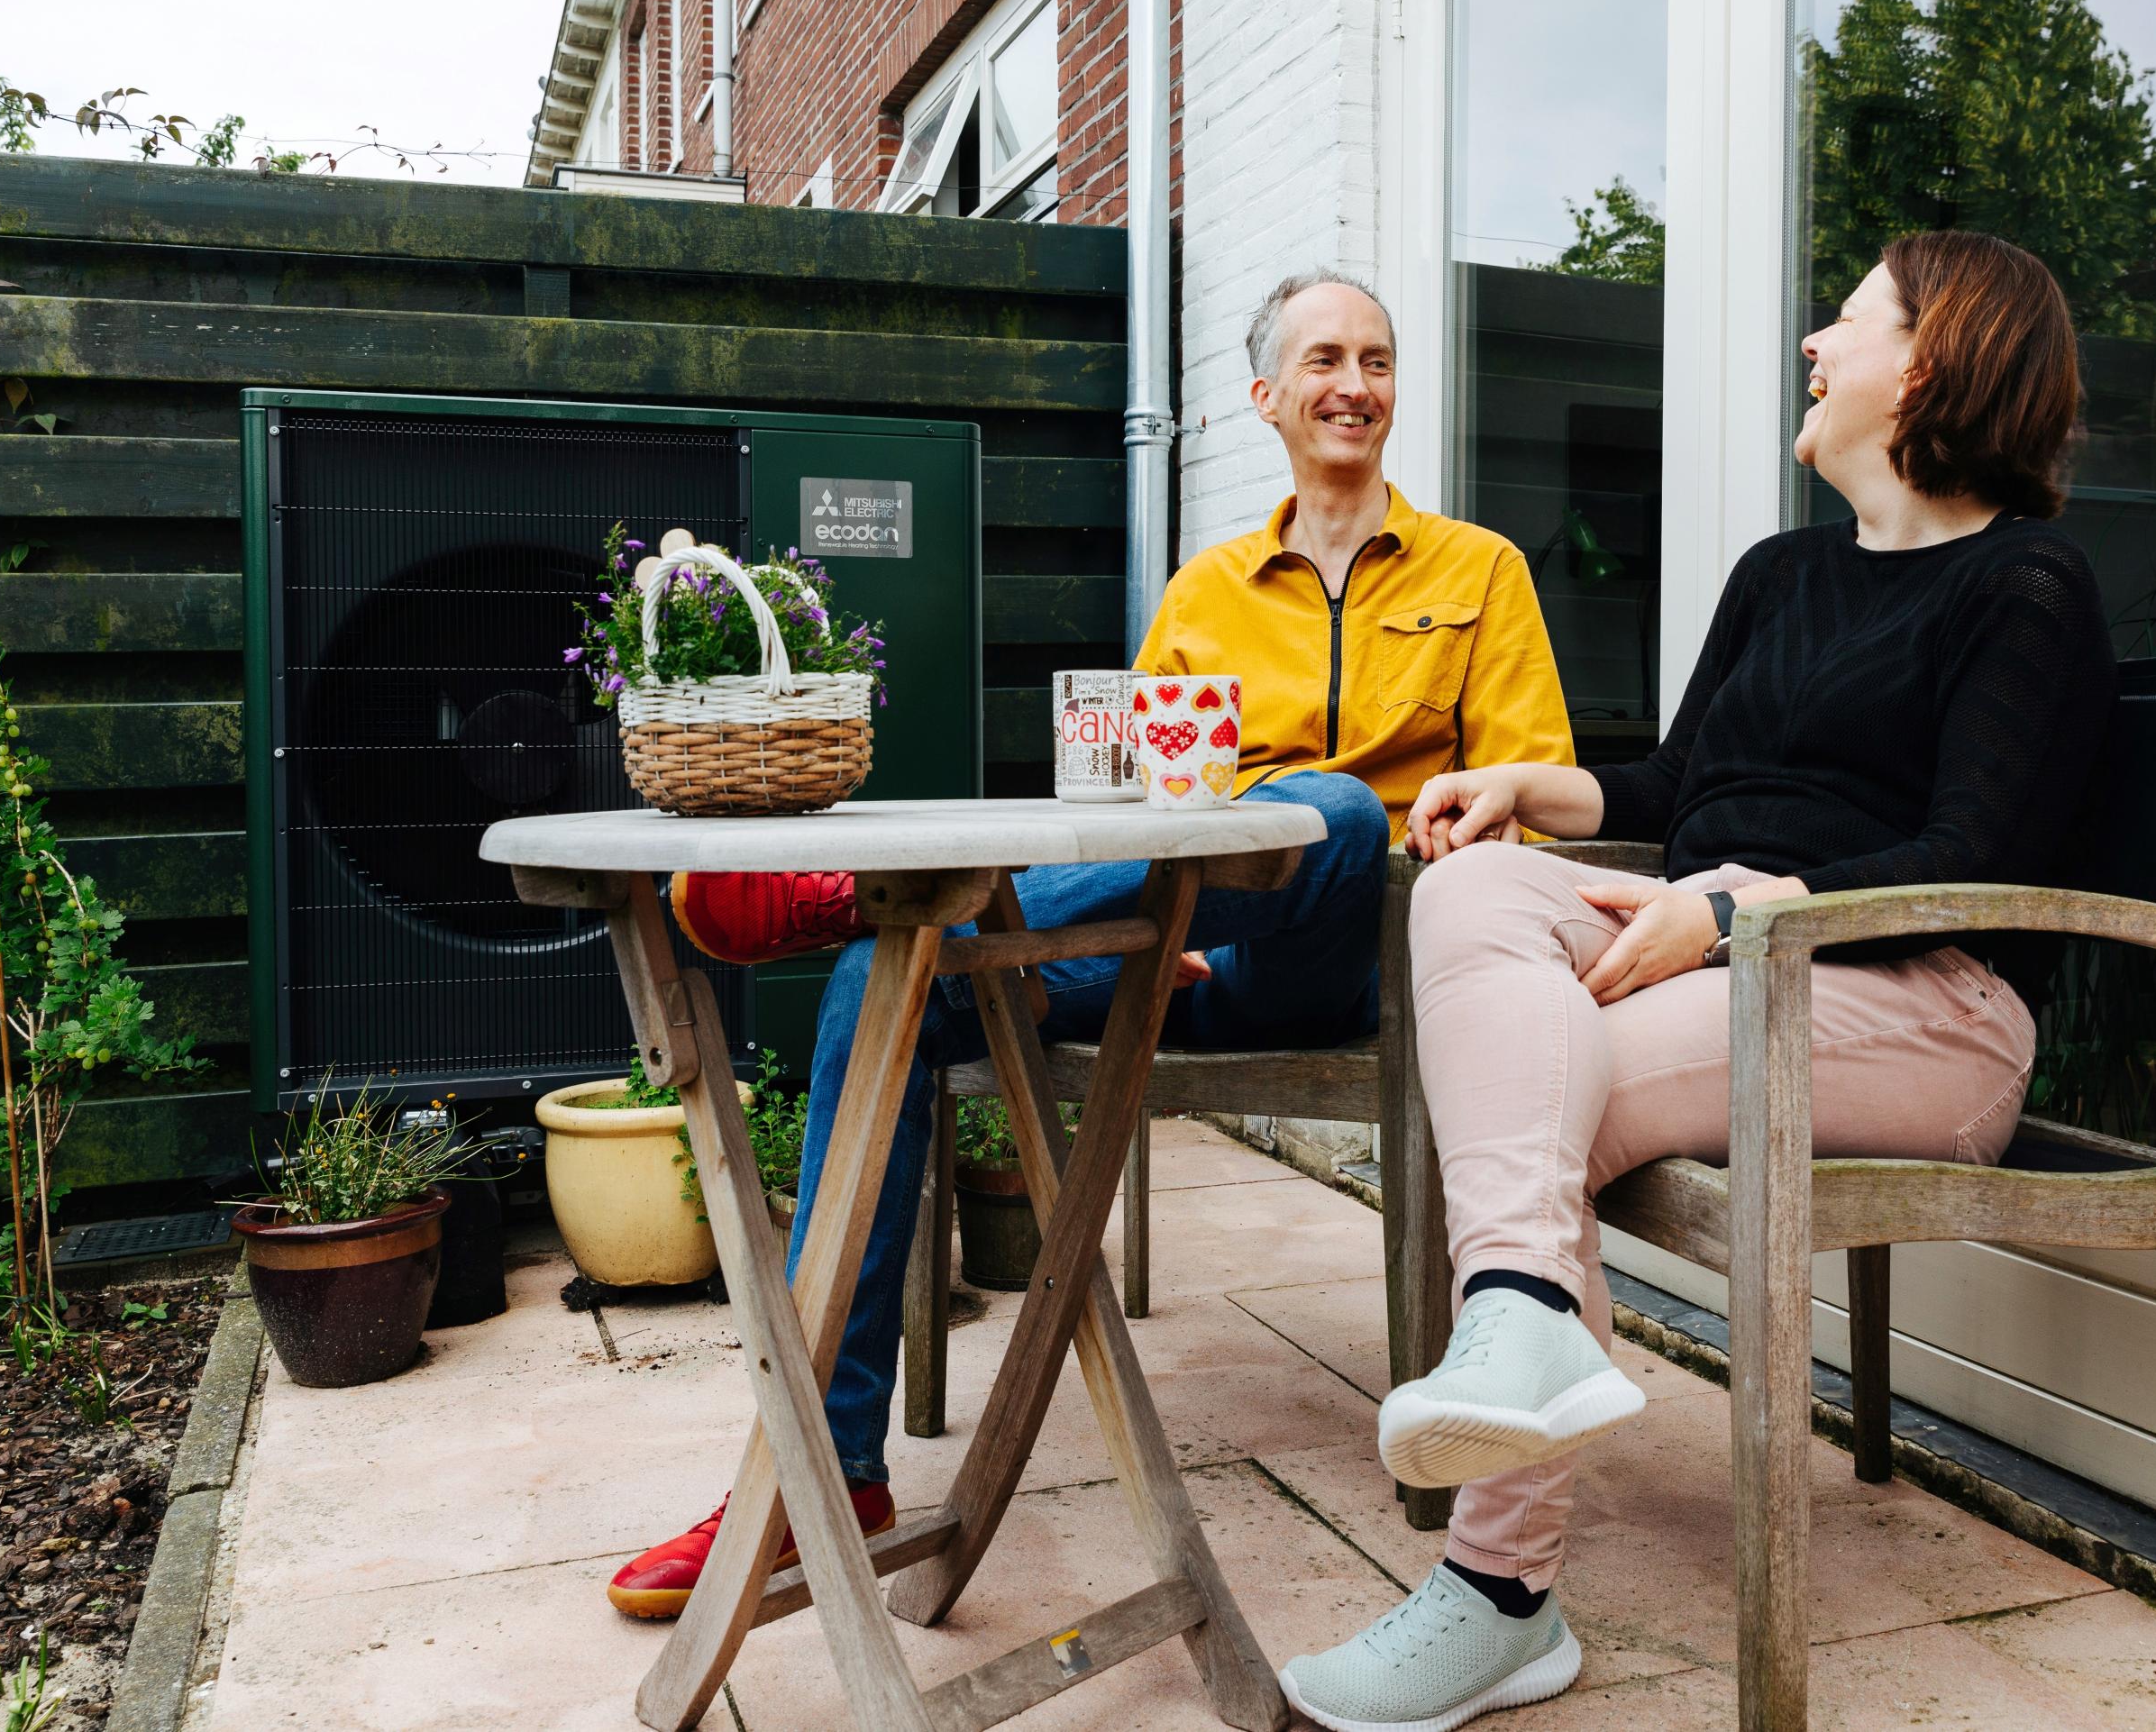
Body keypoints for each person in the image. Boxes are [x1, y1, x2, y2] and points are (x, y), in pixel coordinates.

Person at [607, 269, 1577, 1618]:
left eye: (1376, 357)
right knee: (882, 987)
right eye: (1323, 360)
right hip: (1170, 952)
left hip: (1357, 951)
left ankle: (893, 888)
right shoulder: (1208, 589)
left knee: (1338, 812)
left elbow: (1533, 790)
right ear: (1266, 398)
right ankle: (824, 1470)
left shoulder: (1483, 571)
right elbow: (1131, 797)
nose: (1354, 382)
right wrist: (1136, 929)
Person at [1274, 231, 2117, 1732]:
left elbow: (1978, 853)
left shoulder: (2028, 585)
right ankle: (1528, 1308)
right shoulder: (1782, 571)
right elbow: (1685, 775)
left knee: (1554, 1096)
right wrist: (1530, 779)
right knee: (1469, 883)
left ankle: (1500, 1597)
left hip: (1920, 999)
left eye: (1845, 320)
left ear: (1928, 363)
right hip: (1730, 948)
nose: (1812, 342)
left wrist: (1737, 912)